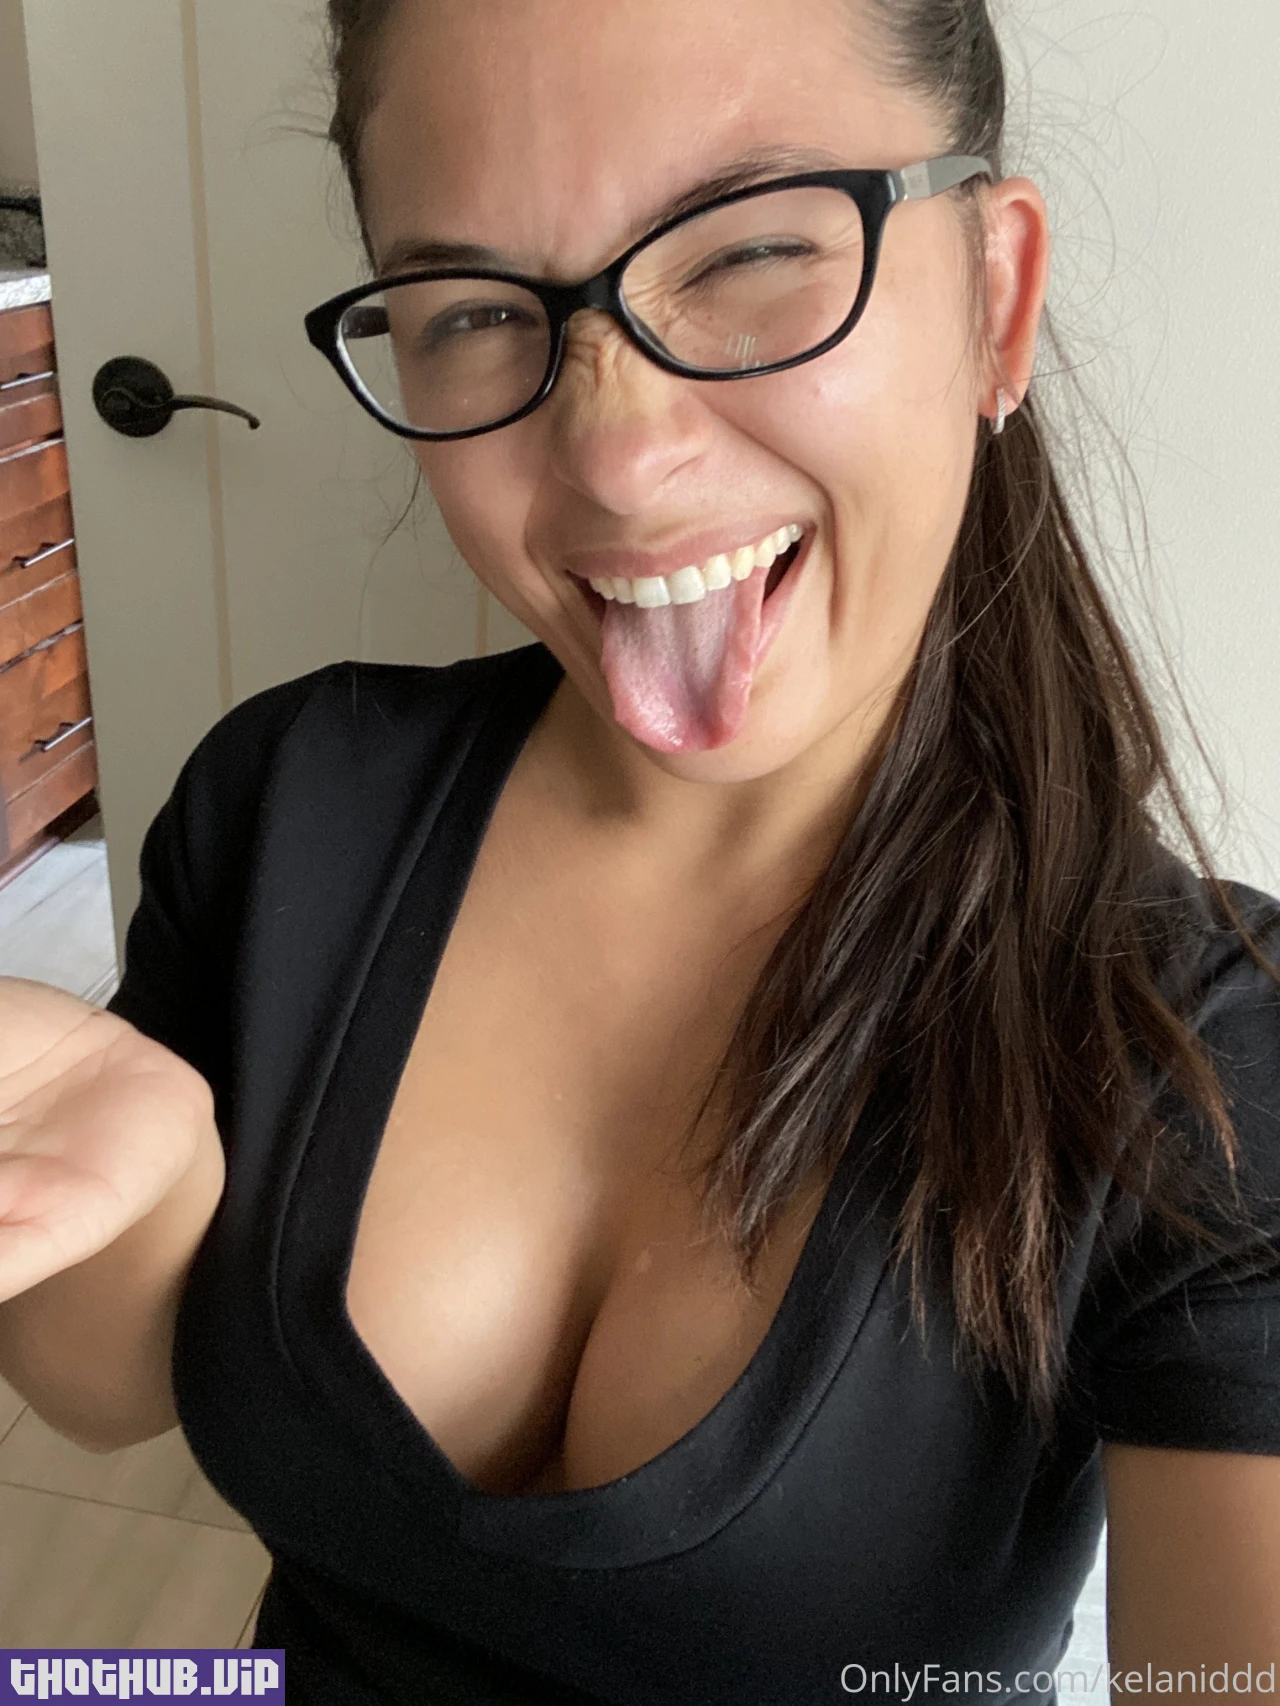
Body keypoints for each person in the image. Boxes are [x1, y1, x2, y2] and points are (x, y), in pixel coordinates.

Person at [1, 0, 1278, 1699]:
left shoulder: (1202, 1054)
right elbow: (104, 1390)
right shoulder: (287, 793)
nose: (615, 457)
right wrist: (153, 1176)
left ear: (997, 295)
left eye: (749, 250)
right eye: (473, 310)